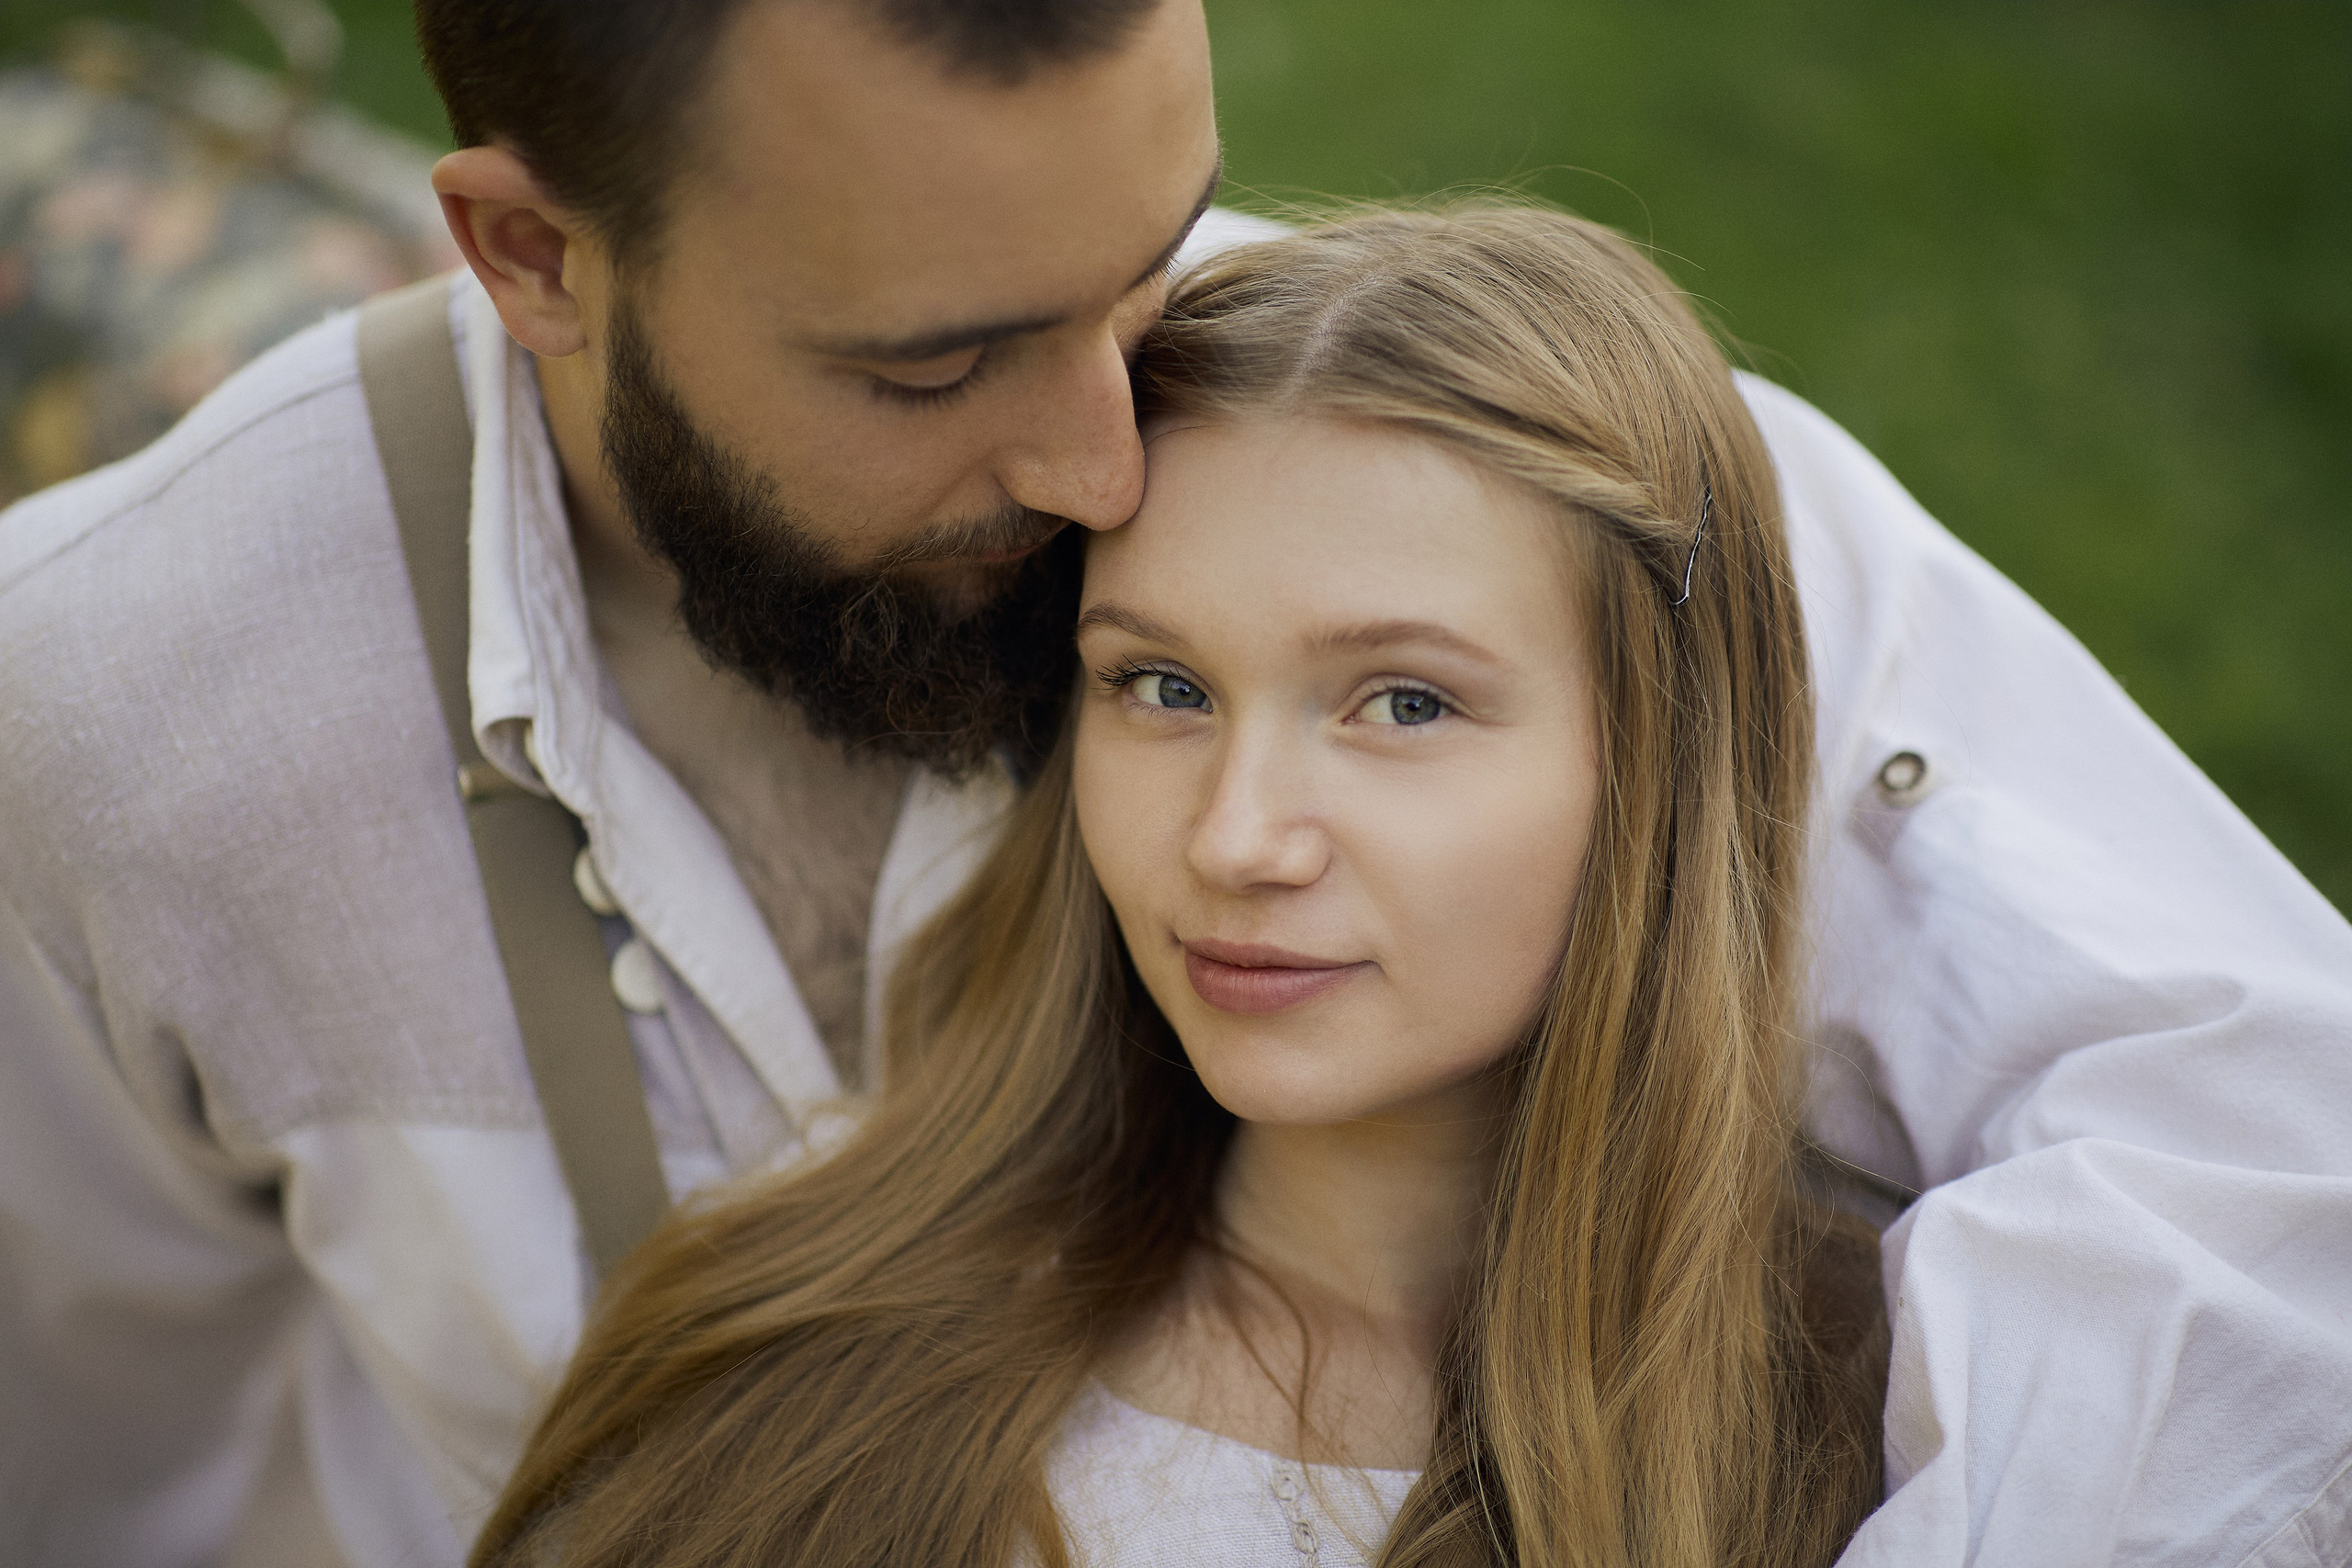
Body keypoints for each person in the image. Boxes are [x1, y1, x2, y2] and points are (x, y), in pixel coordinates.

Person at [0, 1, 2345, 1564]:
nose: (1113, 449)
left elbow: (2277, 1156)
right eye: (940, 360)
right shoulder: (121, 708)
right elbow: (103, 1474)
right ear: (532, 257)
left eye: (1138, 263)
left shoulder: (1497, 477)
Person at [473, 200, 1893, 1568]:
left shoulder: (1910, 1430)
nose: (1234, 839)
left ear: (1669, 761)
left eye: (1401, 705)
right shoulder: (791, 1362)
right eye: (1161, 685)